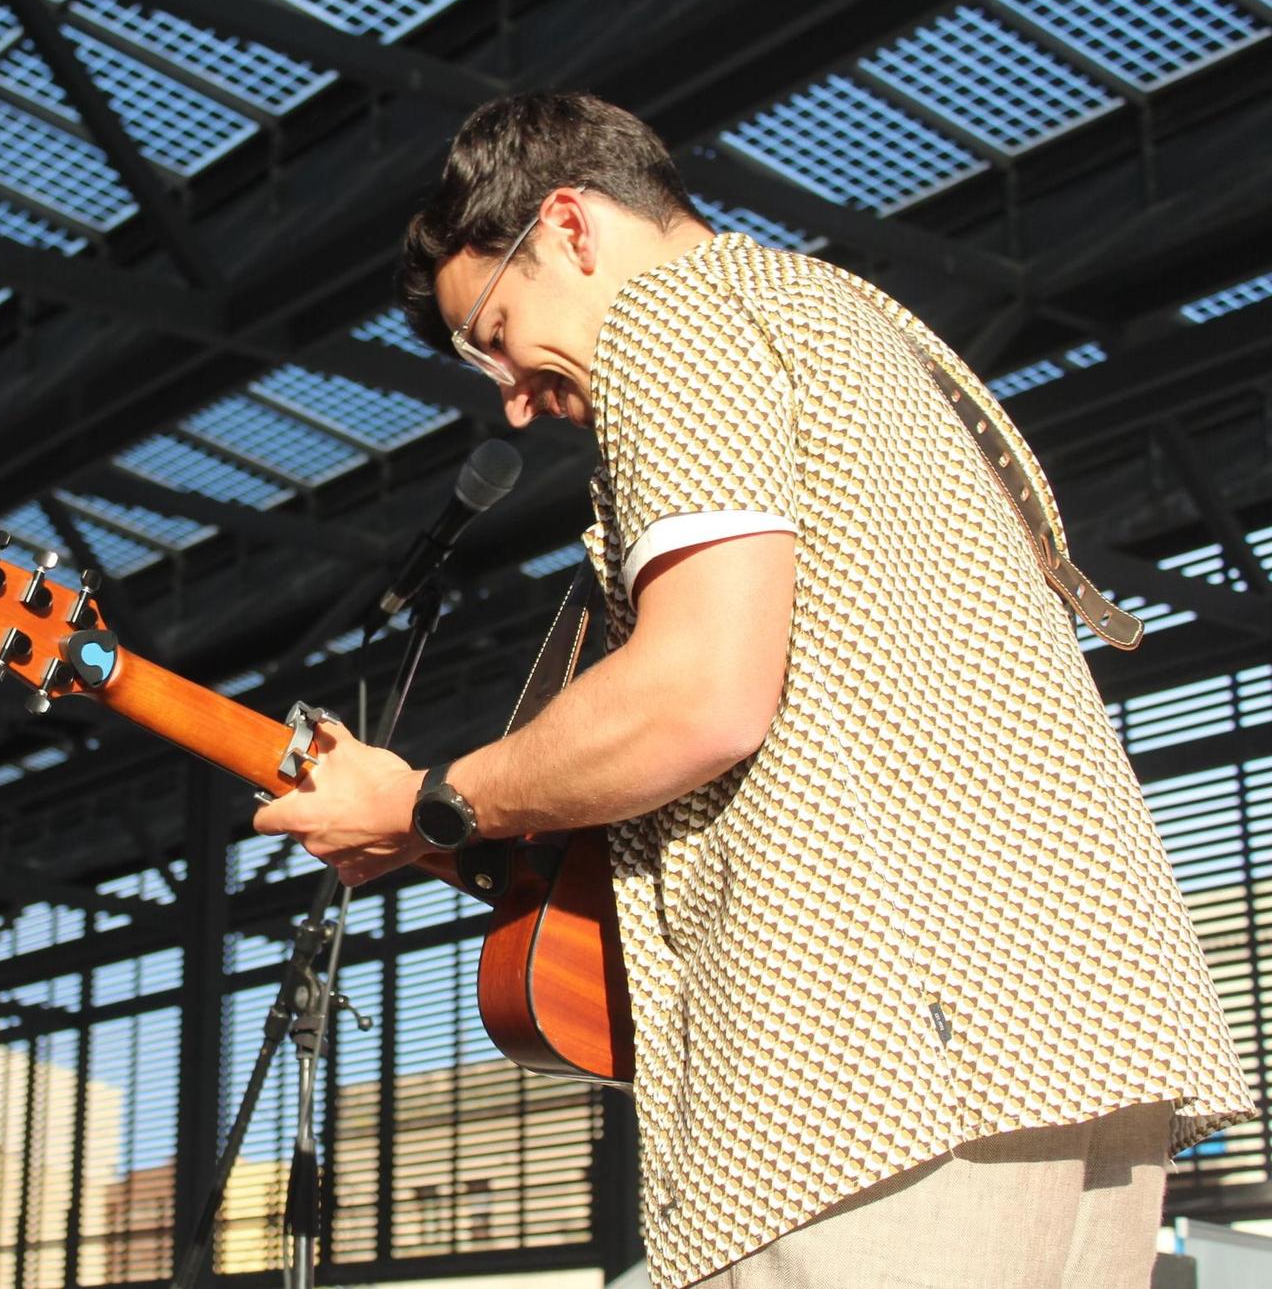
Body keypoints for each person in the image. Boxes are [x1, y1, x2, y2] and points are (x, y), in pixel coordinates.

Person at [251, 93, 1252, 1289]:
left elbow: (698, 697)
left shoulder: (670, 317)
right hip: (1071, 1028)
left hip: (884, 1073)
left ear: (569, 226)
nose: (509, 393)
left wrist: (426, 798)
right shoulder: (850, 322)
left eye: (496, 333)